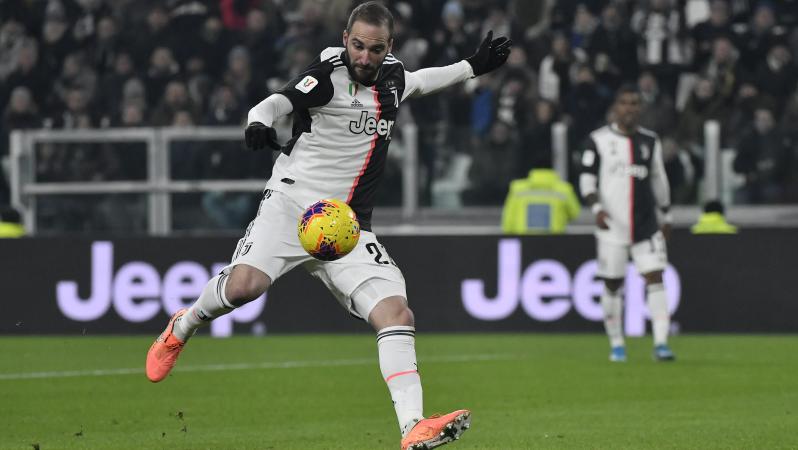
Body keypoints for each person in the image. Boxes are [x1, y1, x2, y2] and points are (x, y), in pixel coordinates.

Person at [145, 3, 512, 449]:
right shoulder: (326, 74)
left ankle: (412, 427)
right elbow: (278, 100)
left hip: (347, 226)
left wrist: (472, 67)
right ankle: (183, 326)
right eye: (357, 45)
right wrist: (258, 122)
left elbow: (419, 81)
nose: (364, 57)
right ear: (345, 39)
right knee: (243, 288)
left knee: (397, 314)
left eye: (375, 49)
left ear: (388, 47)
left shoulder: (393, 76)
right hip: (293, 204)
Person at [579, 84, 676, 363]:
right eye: (625, 103)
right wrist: (596, 207)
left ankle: (661, 344)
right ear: (615, 107)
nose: (630, 108)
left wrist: (666, 215)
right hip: (612, 226)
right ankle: (617, 344)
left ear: (640, 108)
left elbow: (659, 179)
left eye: (634, 103)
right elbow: (586, 179)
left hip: (646, 225)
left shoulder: (650, 141)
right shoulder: (598, 140)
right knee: (612, 284)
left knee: (655, 277)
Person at [501, 158, 580, 234]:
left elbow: (508, 220)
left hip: (524, 241)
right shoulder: (564, 190)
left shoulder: (518, 189)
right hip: (554, 242)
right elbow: (575, 213)